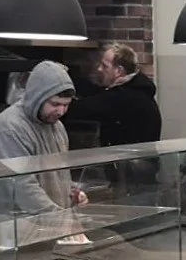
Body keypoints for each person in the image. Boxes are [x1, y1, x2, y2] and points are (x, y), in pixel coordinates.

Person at [0, 60, 87, 247]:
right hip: (16, 228)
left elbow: (59, 173)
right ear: (37, 97)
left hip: (49, 225)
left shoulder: (57, 126)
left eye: (66, 105)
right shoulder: (8, 128)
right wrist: (63, 221)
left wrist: (72, 191)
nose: (61, 111)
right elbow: (22, 186)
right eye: (55, 104)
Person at [64, 43, 162, 200]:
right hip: (138, 175)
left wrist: (56, 99)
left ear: (119, 71)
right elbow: (98, 94)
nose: (99, 69)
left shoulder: (124, 98)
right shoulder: (135, 91)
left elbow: (83, 108)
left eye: (105, 66)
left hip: (132, 178)